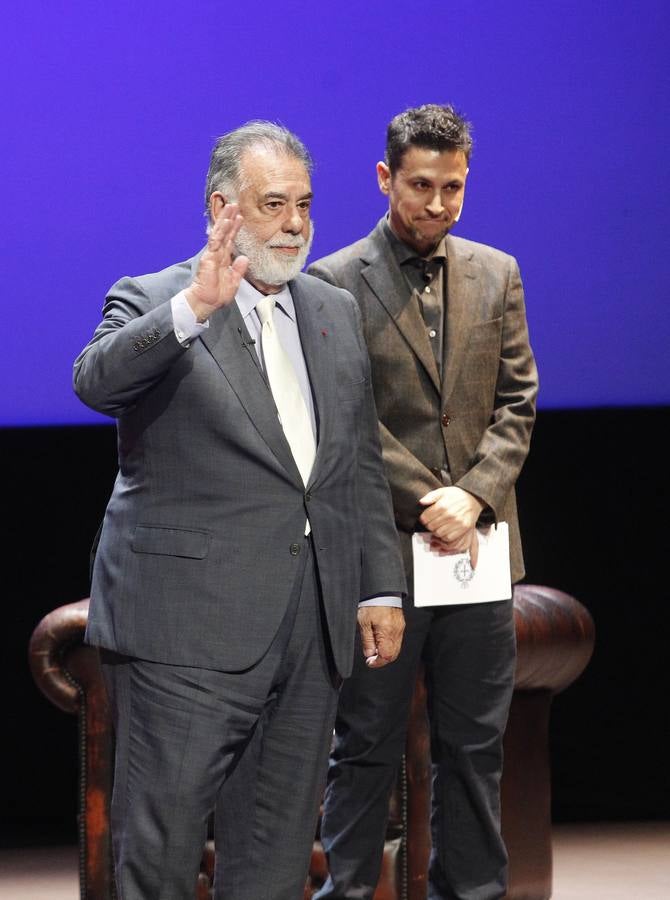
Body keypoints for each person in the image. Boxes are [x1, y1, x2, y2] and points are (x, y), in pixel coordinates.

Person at [73, 121, 406, 900]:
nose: (295, 222)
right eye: (273, 204)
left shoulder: (330, 311)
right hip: (183, 633)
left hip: (306, 629)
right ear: (223, 208)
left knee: (275, 855)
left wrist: (377, 586)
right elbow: (94, 381)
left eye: (305, 204)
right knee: (160, 854)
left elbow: (353, 462)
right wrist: (193, 307)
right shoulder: (158, 298)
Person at [308, 104, 538, 900]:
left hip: (476, 556)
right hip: (383, 558)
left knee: (475, 747)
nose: (437, 204)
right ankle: (347, 893)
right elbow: (341, 419)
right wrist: (429, 497)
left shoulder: (497, 271)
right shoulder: (332, 282)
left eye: (454, 187)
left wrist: (472, 496)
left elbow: (518, 403)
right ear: (385, 179)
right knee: (364, 742)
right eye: (421, 186)